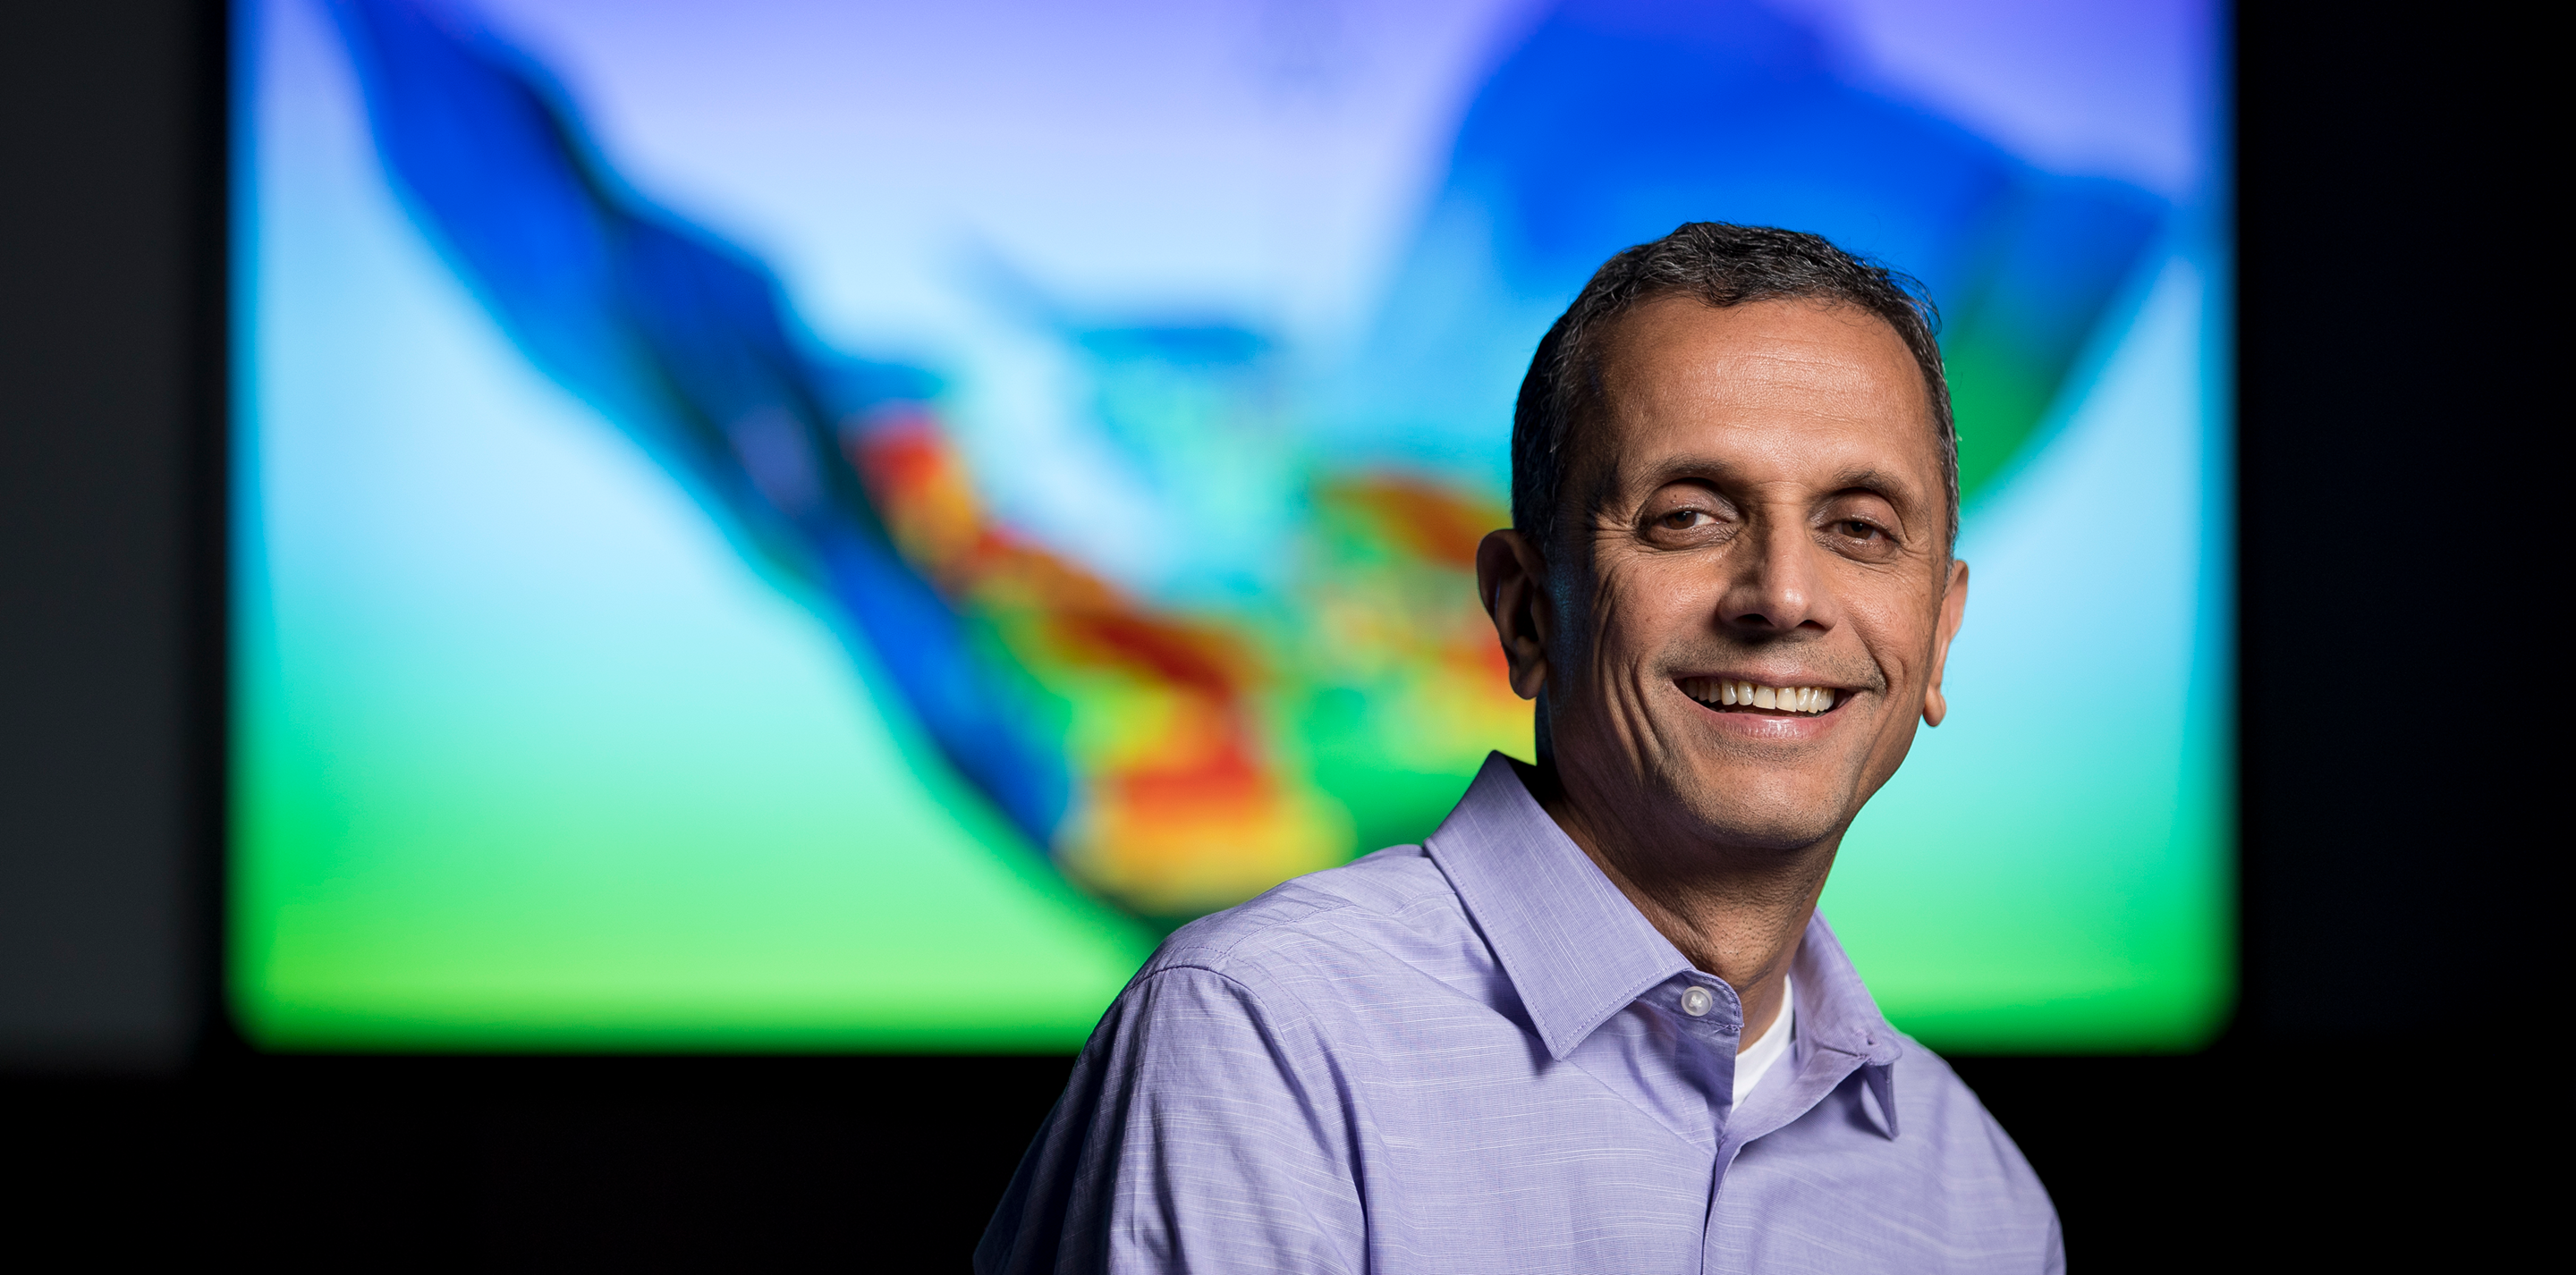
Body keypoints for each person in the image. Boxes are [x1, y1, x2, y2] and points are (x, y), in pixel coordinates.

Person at [976, 223, 2060, 1273]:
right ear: (1525, 610)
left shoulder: (1975, 1192)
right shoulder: (1260, 1037)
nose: (1783, 595)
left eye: (1861, 528)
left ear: (1937, 635)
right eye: (1688, 517)